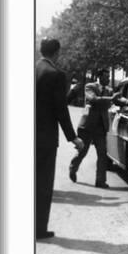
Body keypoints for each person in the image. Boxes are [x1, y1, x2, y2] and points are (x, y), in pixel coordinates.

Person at [35, 38, 83, 240]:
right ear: (57, 53)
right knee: (44, 184)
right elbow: (61, 110)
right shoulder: (55, 75)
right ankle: (39, 228)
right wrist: (73, 138)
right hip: (45, 137)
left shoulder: (34, 68)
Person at [69, 69, 125, 188]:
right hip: (88, 125)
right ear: (99, 77)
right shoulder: (89, 87)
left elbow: (118, 100)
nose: (108, 79)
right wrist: (111, 99)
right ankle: (73, 168)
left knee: (102, 154)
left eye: (109, 76)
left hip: (101, 127)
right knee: (82, 151)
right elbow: (93, 99)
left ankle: (100, 181)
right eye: (105, 76)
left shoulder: (109, 90)